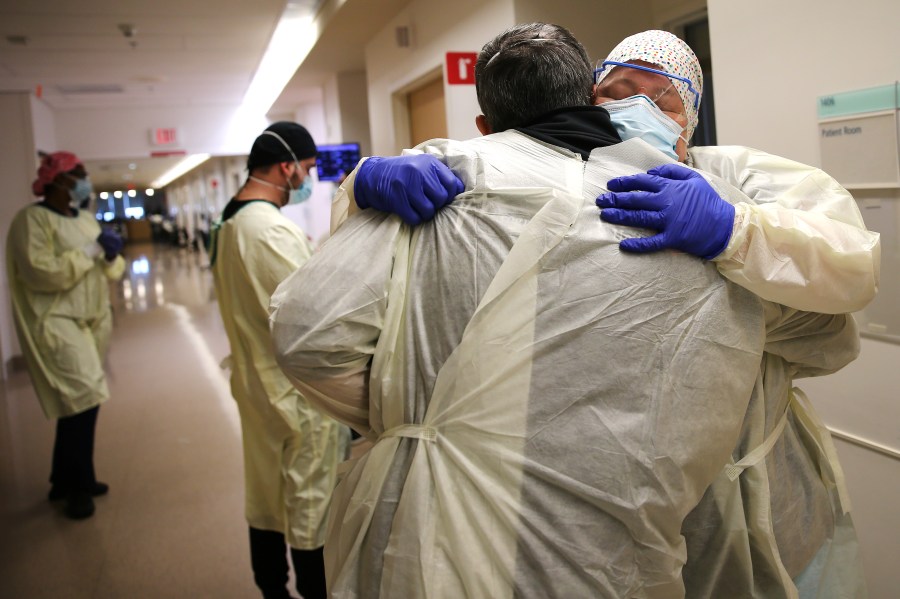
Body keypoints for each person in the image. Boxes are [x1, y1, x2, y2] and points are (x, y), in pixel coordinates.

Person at [270, 23, 858, 597]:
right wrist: (358, 185)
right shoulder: (467, 180)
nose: (639, 109)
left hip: (729, 482)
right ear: (589, 96)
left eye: (663, 100)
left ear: (693, 116)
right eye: (621, 91)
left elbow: (836, 302)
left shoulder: (723, 191)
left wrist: (737, 234)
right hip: (613, 515)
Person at [209, 121, 348, 599]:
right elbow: (317, 316)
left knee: (266, 494)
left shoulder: (229, 225)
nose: (307, 180)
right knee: (310, 500)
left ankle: (271, 587)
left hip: (256, 386)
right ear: (287, 167)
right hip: (295, 396)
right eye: (308, 169)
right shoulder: (268, 230)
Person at [6, 151, 125, 520]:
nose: (85, 181)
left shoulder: (86, 219)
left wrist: (109, 256)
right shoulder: (33, 220)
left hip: (90, 320)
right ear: (58, 180)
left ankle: (64, 479)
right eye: (79, 174)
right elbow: (43, 273)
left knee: (82, 401)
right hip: (56, 320)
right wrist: (91, 251)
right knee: (83, 398)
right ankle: (77, 487)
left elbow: (113, 271)